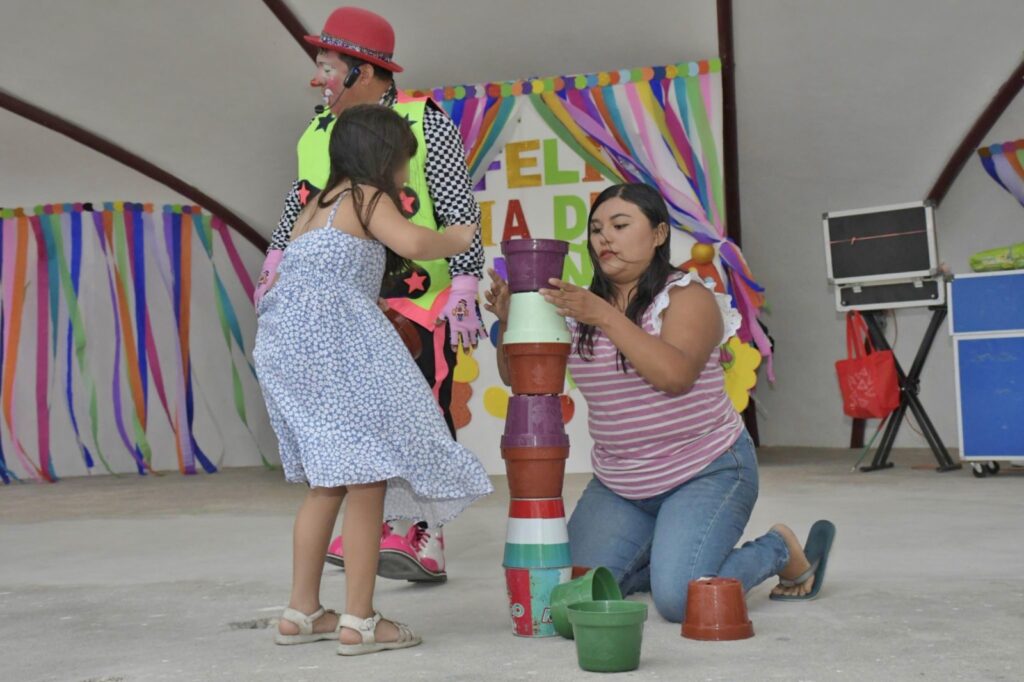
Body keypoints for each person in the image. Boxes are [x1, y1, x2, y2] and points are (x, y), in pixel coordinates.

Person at [486, 183, 835, 622]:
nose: (604, 239)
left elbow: (673, 376)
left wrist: (605, 316)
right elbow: (523, 381)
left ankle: (778, 547)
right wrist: (509, 324)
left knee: (681, 601)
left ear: (658, 234)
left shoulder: (687, 297)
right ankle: (671, 550)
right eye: (596, 229)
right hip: (621, 485)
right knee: (571, 595)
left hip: (706, 470)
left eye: (619, 225)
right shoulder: (579, 307)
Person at [255, 6, 486, 582]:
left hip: (417, 296)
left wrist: (465, 278)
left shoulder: (423, 120)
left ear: (361, 72)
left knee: (420, 406)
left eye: (327, 65)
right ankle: (367, 525)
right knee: (349, 424)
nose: (318, 78)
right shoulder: (317, 130)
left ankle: (419, 532)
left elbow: (457, 207)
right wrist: (277, 255)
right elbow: (300, 200)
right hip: (340, 299)